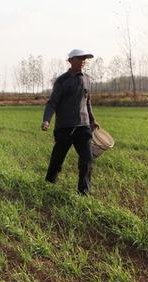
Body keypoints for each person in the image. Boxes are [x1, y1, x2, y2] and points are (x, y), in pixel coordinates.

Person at [41, 48, 99, 195]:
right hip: (64, 128)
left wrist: (92, 120)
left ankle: (83, 192)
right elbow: (52, 103)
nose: (83, 61)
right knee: (57, 160)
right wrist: (46, 120)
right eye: (80, 58)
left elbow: (88, 102)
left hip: (83, 127)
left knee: (87, 159)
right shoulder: (62, 81)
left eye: (85, 58)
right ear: (71, 61)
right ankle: (48, 185)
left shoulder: (87, 79)